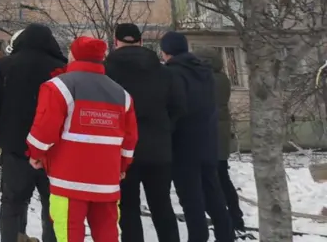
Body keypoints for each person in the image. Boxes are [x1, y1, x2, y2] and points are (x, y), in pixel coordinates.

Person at [26, 36, 137, 242]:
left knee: (69, 233)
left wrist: (35, 154)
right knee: (107, 234)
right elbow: (129, 140)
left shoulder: (58, 87)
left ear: (73, 55)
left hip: (69, 180)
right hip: (107, 180)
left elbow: (44, 130)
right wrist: (121, 167)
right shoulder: (122, 95)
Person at [0, 23, 67, 242]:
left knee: (12, 202)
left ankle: (14, 238)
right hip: (54, 150)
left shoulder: (4, 66)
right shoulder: (62, 69)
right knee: (53, 203)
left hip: (15, 147)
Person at [103, 24, 184, 242]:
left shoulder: (105, 71)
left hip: (121, 151)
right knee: (162, 206)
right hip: (159, 149)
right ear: (140, 41)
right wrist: (165, 128)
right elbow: (178, 107)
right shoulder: (163, 71)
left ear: (115, 42)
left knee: (128, 209)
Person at [159, 32, 233, 242]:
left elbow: (175, 108)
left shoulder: (171, 74)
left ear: (166, 52)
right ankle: (226, 236)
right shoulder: (205, 72)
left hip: (183, 146)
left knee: (191, 202)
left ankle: (198, 238)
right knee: (214, 195)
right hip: (208, 142)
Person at [196, 48, 245, 236]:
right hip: (219, 137)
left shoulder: (210, 81)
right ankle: (234, 216)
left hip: (211, 137)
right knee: (222, 178)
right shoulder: (221, 78)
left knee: (217, 180)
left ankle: (232, 218)